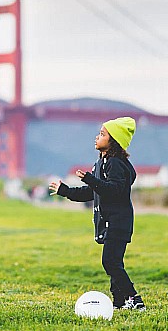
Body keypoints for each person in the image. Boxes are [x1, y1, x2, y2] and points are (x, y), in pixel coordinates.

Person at [49, 117, 145, 311]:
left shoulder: (116, 164)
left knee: (110, 261)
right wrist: (65, 190)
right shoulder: (102, 163)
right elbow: (91, 193)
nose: (97, 137)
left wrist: (91, 179)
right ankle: (119, 302)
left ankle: (134, 299)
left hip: (119, 221)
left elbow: (114, 190)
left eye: (102, 134)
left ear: (113, 141)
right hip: (110, 222)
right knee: (113, 262)